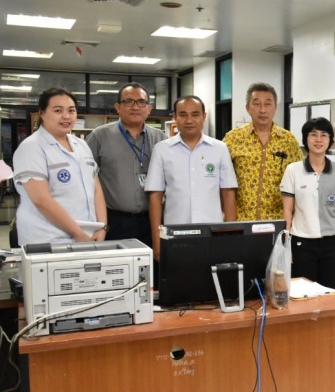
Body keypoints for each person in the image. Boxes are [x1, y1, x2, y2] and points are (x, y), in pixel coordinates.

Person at [145, 96, 238, 260]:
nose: (189, 120)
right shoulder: (162, 150)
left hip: (213, 233)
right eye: (183, 115)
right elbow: (155, 197)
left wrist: (230, 236)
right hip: (174, 234)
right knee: (178, 282)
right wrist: (157, 239)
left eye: (195, 114)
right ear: (174, 117)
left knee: (212, 282)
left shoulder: (219, 148)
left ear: (204, 116)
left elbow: (228, 193)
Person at [13, 88, 107, 246]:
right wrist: (77, 233)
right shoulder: (32, 147)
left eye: (71, 110)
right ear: (42, 113)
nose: (66, 116)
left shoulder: (81, 145)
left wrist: (102, 227)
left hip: (87, 237)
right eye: (58, 110)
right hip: (48, 239)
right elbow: (41, 200)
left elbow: (96, 189)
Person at [86, 82, 166, 245]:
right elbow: (86, 179)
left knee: (153, 267)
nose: (135, 107)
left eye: (141, 102)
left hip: (152, 219)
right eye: (128, 102)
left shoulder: (161, 139)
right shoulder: (99, 137)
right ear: (118, 107)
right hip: (114, 221)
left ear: (148, 108)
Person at [280, 118, 335, 289]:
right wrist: (286, 245)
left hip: (331, 243)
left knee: (327, 292)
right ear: (305, 139)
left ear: (330, 140)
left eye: (324, 135)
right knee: (303, 293)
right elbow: (287, 210)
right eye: (313, 135)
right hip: (301, 243)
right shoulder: (293, 170)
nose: (318, 140)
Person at [223, 82, 303, 221]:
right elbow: (221, 181)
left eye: (267, 104)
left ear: (275, 108)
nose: (262, 110)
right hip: (241, 221)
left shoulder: (288, 141)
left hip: (278, 221)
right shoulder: (232, 139)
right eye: (256, 104)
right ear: (248, 108)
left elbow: (299, 180)